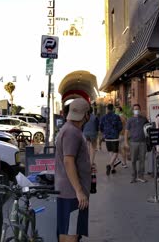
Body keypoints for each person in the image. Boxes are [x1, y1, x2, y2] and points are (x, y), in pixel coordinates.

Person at [55, 98, 91, 242]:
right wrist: (79, 191)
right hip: (72, 193)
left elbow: (71, 159)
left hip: (67, 190)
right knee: (71, 233)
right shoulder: (72, 132)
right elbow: (68, 161)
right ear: (86, 115)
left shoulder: (68, 129)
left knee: (67, 229)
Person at [124, 104, 149, 183]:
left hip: (143, 142)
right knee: (133, 160)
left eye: (138, 109)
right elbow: (126, 131)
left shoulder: (144, 119)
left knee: (142, 160)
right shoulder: (130, 120)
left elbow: (148, 128)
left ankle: (141, 176)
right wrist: (125, 142)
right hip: (133, 142)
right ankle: (133, 177)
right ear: (133, 110)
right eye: (135, 109)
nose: (136, 110)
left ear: (140, 110)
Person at [100, 104, 123, 175]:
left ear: (107, 109)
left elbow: (101, 127)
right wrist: (117, 132)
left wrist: (104, 133)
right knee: (115, 152)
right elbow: (120, 127)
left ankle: (113, 168)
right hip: (115, 137)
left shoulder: (103, 117)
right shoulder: (116, 117)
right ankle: (109, 165)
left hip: (107, 137)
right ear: (113, 109)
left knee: (110, 152)